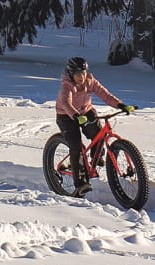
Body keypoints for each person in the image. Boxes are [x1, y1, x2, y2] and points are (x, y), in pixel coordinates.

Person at [54, 55, 131, 196]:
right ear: (71, 74)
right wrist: (76, 116)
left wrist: (120, 105)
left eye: (83, 73)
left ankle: (95, 156)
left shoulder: (90, 81)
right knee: (75, 145)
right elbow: (66, 103)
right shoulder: (67, 86)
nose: (81, 77)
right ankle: (80, 184)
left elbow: (105, 94)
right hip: (66, 115)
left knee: (98, 133)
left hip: (86, 111)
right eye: (78, 74)